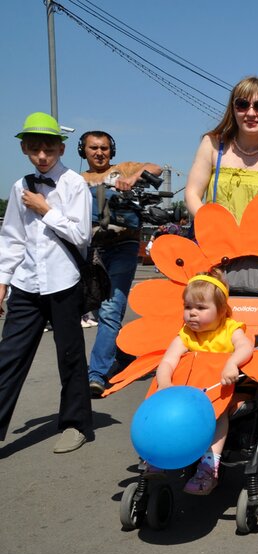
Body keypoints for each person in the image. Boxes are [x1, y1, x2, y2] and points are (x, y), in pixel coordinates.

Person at [0, 112, 93, 453]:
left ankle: (75, 425)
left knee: (70, 356)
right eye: (34, 148)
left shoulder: (74, 184)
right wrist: (2, 280)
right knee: (9, 356)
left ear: (61, 148)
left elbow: (81, 236)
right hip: (26, 283)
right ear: (24, 148)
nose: (42, 155)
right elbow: (12, 238)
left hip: (63, 282)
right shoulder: (19, 186)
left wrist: (45, 209)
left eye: (49, 149)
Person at [79, 130, 163, 397]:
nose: (99, 153)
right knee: (91, 308)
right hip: (91, 249)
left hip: (123, 246)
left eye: (104, 148)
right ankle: (125, 354)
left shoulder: (123, 168)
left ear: (111, 150)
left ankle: (96, 374)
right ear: (83, 151)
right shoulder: (76, 180)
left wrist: (133, 177)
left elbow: (156, 168)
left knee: (111, 310)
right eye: (93, 148)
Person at [153, 269, 252, 494]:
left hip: (218, 393)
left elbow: (246, 347)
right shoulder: (186, 334)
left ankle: (209, 466)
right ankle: (160, 453)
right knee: (166, 411)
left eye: (200, 308)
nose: (192, 314)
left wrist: (232, 363)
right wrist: (164, 383)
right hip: (186, 394)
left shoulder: (230, 330)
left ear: (222, 311)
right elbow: (168, 361)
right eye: (188, 307)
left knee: (218, 415)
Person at [184, 76, 258, 227]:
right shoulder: (212, 145)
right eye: (242, 105)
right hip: (216, 239)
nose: (251, 113)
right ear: (233, 109)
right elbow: (192, 194)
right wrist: (211, 225)